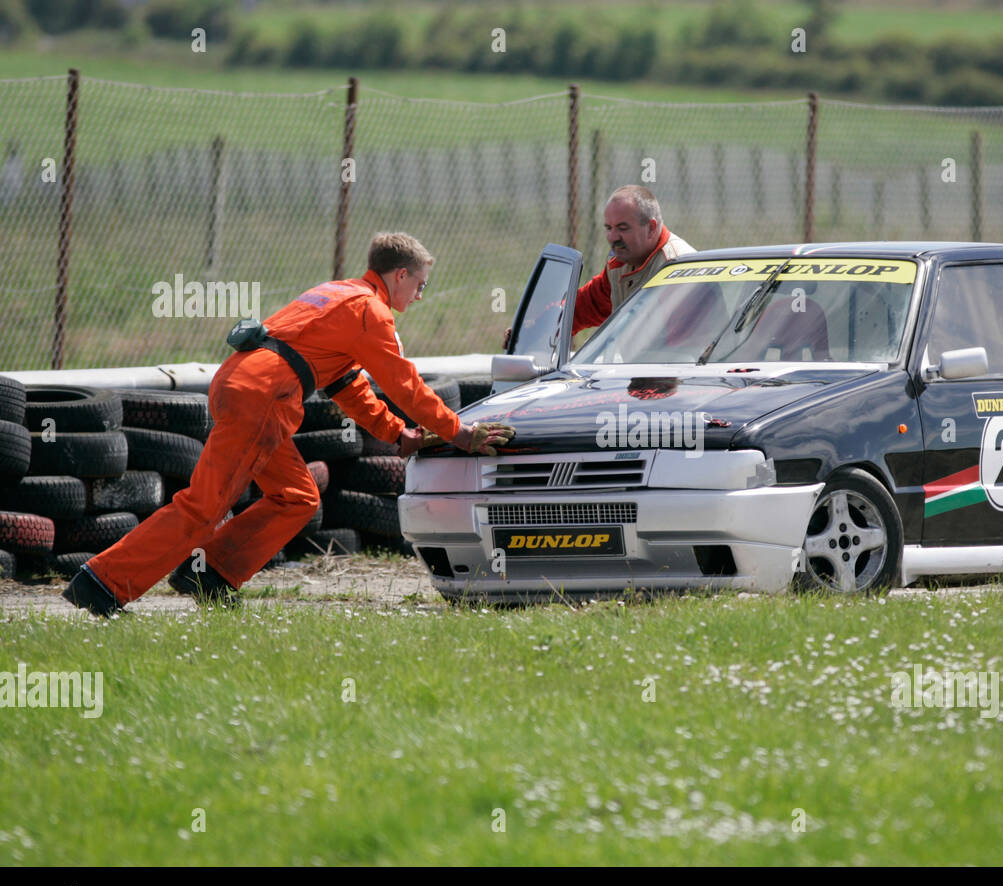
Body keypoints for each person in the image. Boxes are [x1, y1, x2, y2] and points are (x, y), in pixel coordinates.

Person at [63, 232, 512, 616]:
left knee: (297, 497)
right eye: (420, 285)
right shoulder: (370, 313)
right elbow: (406, 385)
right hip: (261, 399)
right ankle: (102, 583)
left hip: (242, 384)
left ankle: (210, 576)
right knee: (203, 507)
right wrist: (462, 433)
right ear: (399, 275)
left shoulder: (339, 293)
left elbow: (348, 385)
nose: (419, 296)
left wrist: (398, 434)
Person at [572, 185, 696, 334]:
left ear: (651, 228)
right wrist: (544, 322)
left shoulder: (680, 271)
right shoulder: (621, 264)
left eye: (622, 228)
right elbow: (583, 308)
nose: (613, 237)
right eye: (609, 228)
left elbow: (689, 347)